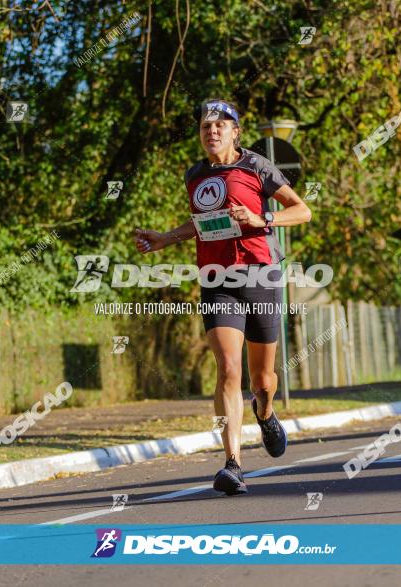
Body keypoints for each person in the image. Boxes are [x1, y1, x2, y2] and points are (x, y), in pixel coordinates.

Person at [133, 99, 312, 494]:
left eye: (220, 125)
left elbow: (302, 211)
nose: (211, 131)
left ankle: (265, 413)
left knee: (263, 379)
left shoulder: (256, 167)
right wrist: (165, 238)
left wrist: (261, 218)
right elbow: (203, 224)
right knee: (229, 369)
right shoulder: (194, 175)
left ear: (235, 132)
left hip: (261, 273)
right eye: (205, 126)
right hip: (217, 278)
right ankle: (233, 464)